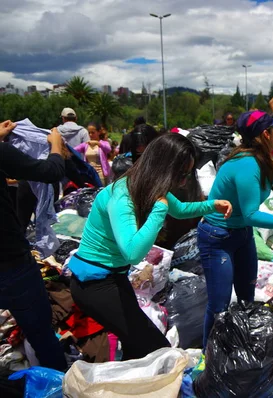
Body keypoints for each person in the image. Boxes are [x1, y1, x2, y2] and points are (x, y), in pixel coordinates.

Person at [68, 134, 232, 360]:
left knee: (137, 347)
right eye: (181, 175)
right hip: (94, 285)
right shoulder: (122, 196)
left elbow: (180, 209)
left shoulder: (148, 187)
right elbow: (133, 253)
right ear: (165, 168)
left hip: (113, 277)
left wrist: (212, 205)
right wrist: (158, 211)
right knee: (156, 349)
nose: (183, 183)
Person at [198, 110, 273, 347]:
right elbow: (251, 213)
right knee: (219, 305)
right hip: (217, 237)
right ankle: (208, 356)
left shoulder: (266, 162)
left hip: (242, 235)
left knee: (246, 298)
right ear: (266, 134)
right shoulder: (246, 165)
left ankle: (240, 347)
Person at [0, 121, 68, 371]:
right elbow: (50, 171)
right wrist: (56, 146)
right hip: (13, 265)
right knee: (41, 336)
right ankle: (57, 386)